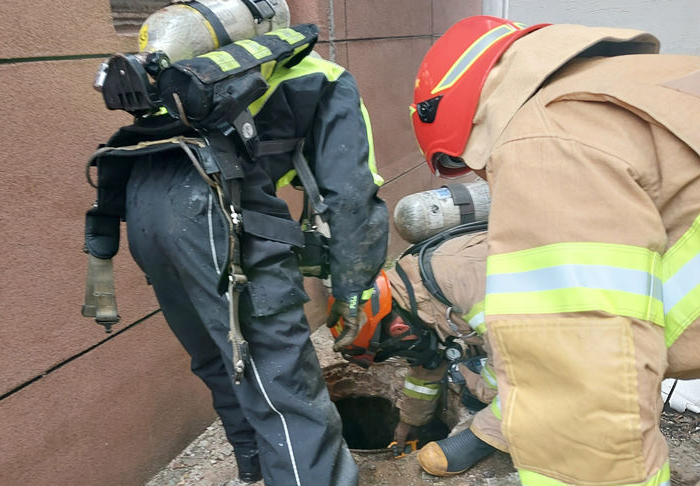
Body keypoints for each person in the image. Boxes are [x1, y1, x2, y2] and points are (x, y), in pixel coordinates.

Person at [84, 22, 387, 486]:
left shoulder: (190, 71)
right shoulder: (323, 75)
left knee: (220, 356)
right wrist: (351, 289)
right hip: (212, 204)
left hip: (143, 200)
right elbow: (350, 194)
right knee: (280, 381)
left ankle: (257, 468)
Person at [408, 15, 700, 486]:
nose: (481, 174)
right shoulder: (637, 86)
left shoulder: (542, 142)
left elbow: (578, 387)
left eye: (459, 161)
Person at [329, 214, 504, 471]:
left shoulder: (465, 284)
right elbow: (424, 363)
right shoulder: (414, 292)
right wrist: (410, 421)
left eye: (392, 350)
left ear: (398, 328)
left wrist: (485, 390)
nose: (404, 354)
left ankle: (487, 437)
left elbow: (519, 364)